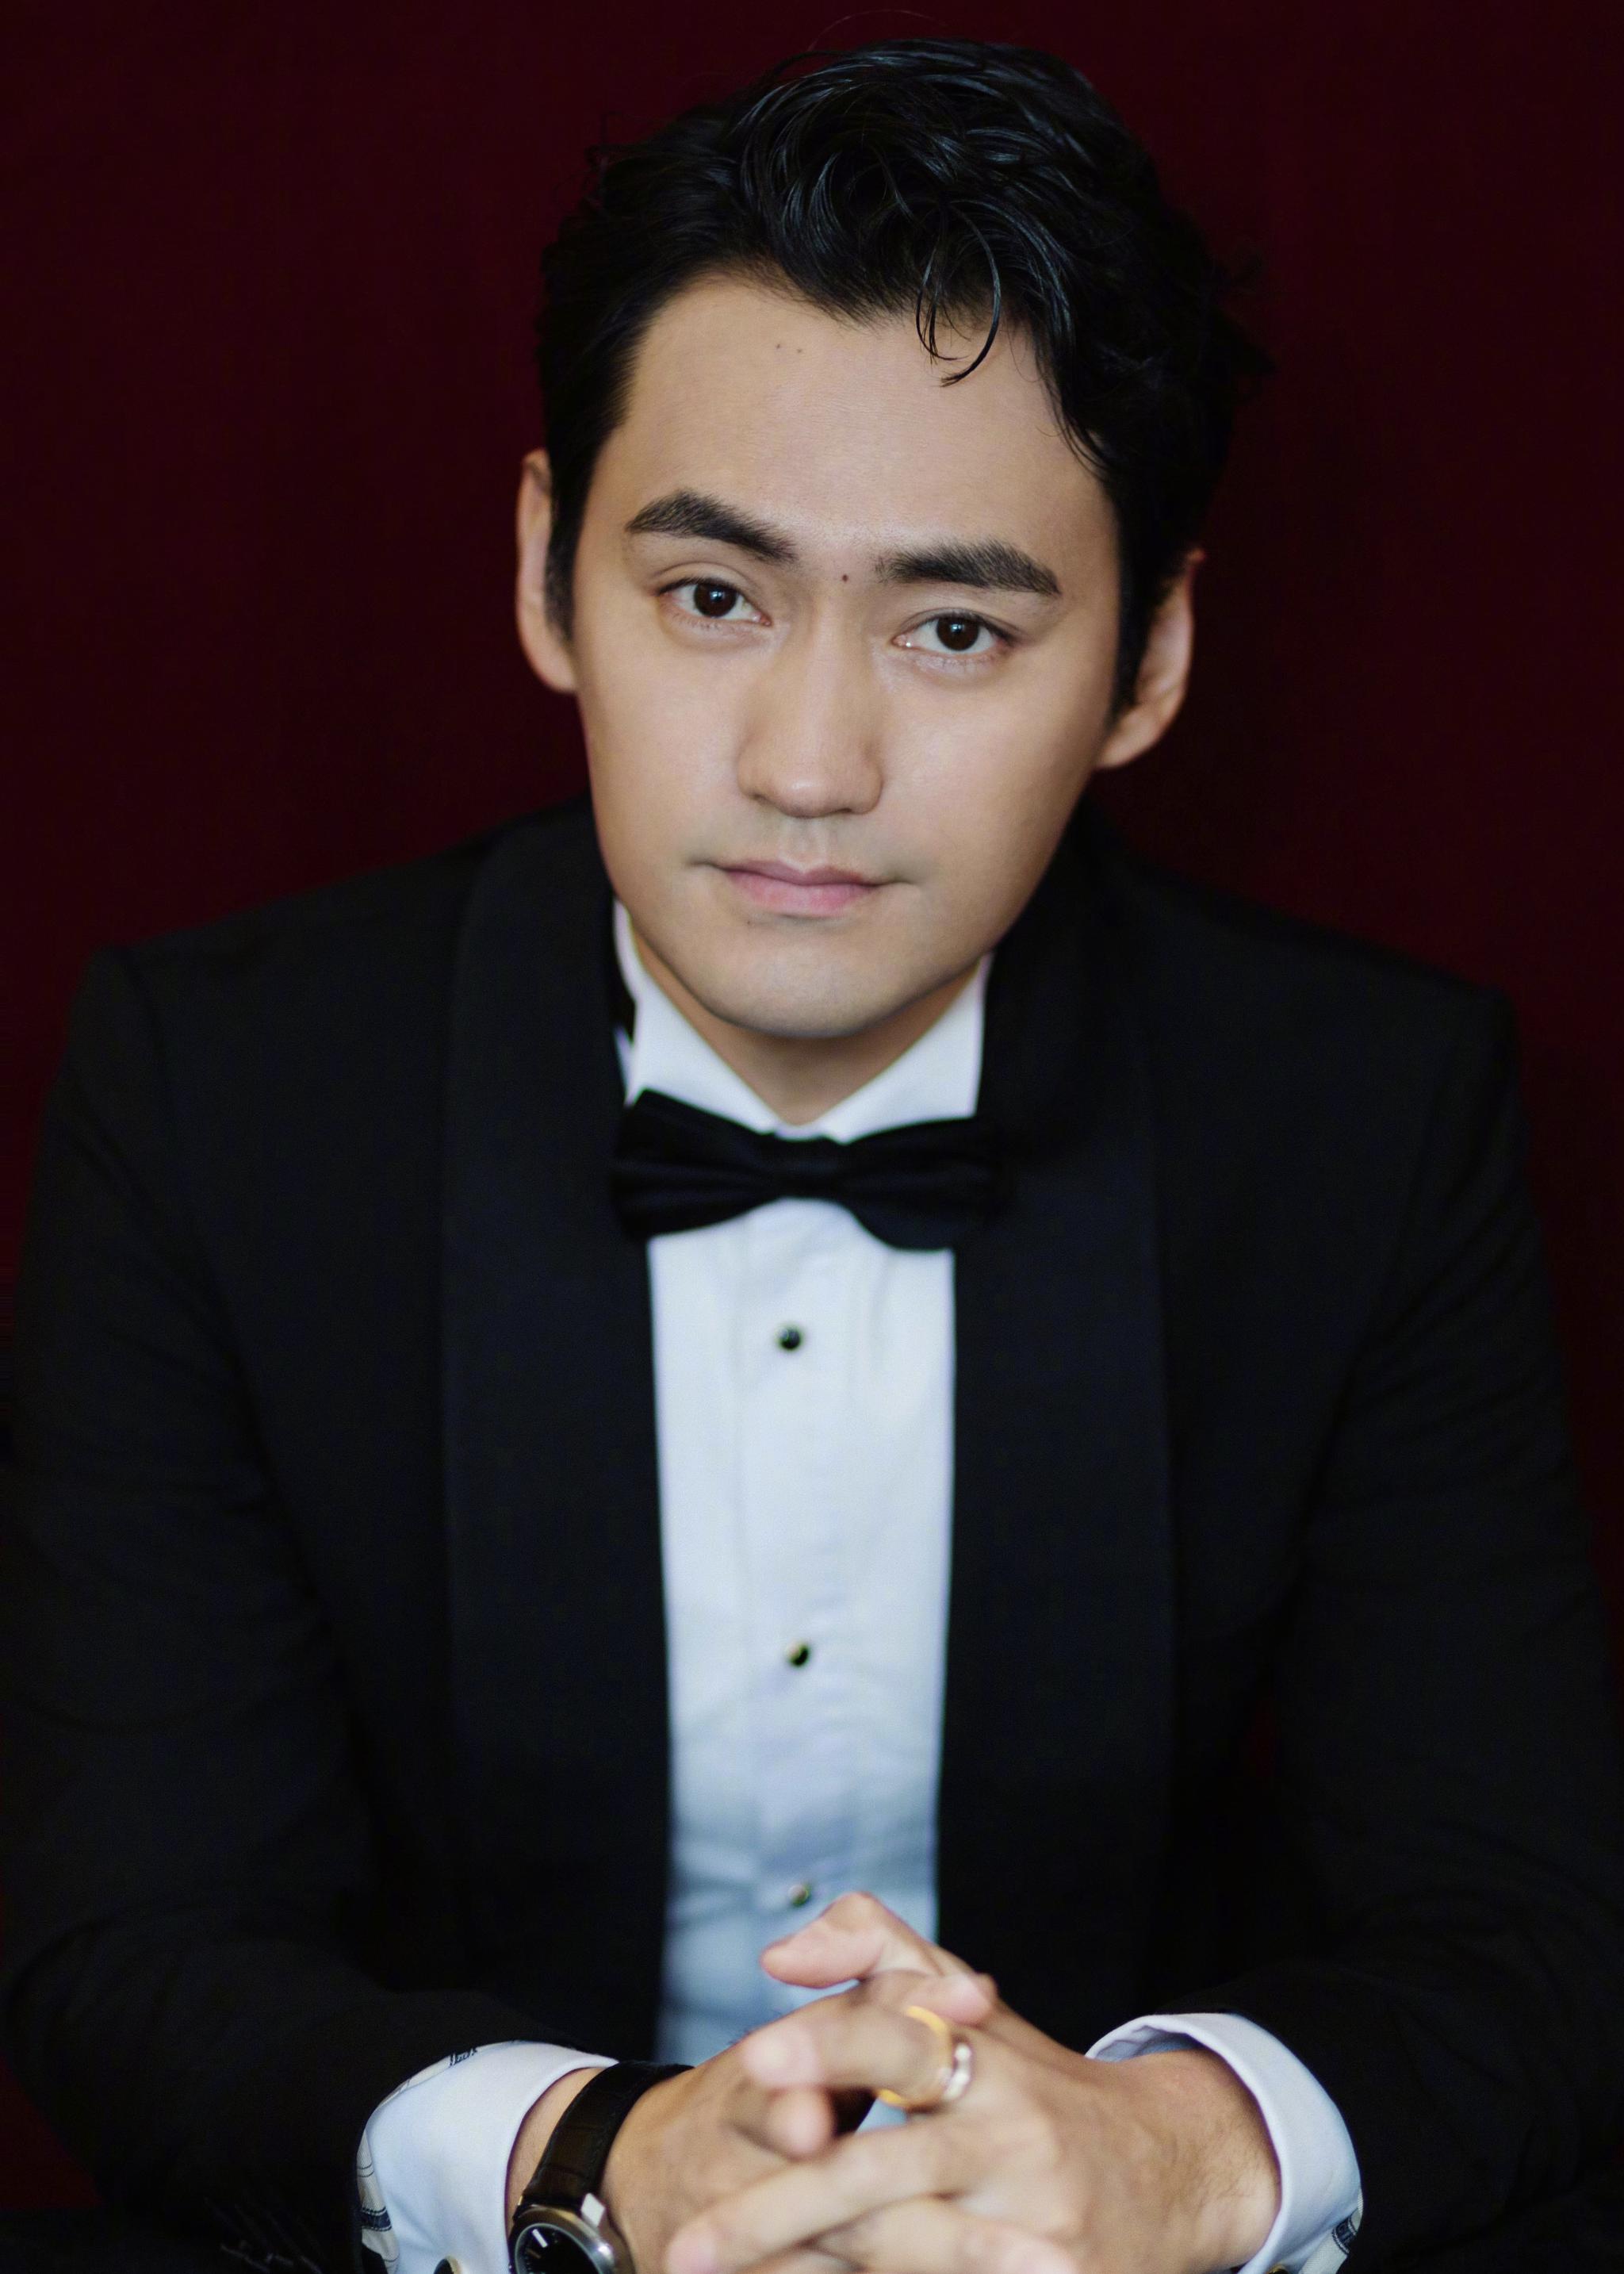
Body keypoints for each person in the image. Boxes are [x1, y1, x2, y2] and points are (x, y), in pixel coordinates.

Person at [5, 33, 1622, 2274]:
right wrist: (594, 2158)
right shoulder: (219, 1092)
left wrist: (1167, 2154)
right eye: (713, 597)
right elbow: (129, 1947)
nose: (809, 762)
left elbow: (1526, 1934)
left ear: (1149, 660)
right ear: (547, 570)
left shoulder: (1363, 1117)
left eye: (954, 628)